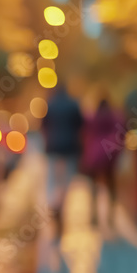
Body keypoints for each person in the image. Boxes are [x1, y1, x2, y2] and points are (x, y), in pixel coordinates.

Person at [41, 86, 84, 224]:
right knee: (67, 178)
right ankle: (62, 202)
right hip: (70, 146)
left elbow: (43, 125)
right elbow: (81, 124)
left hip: (53, 147)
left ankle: (54, 202)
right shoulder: (73, 104)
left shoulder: (50, 104)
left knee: (53, 178)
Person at [81, 99, 125, 228]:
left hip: (94, 156)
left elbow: (84, 130)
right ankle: (110, 216)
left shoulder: (93, 117)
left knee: (93, 187)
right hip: (109, 156)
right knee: (111, 186)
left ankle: (94, 215)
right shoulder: (115, 116)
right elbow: (123, 129)